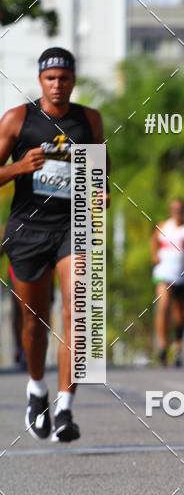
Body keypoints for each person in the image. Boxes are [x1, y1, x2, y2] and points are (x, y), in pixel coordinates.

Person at [0, 47, 108, 441]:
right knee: (34, 323)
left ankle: (64, 407)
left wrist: (100, 189)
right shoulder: (18, 119)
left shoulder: (88, 119)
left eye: (64, 78)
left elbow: (100, 163)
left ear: (73, 80)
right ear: (40, 80)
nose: (58, 85)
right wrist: (17, 167)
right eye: (50, 78)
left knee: (79, 312)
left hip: (72, 227)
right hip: (27, 230)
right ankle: (36, 389)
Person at [151, 197, 184, 366]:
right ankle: (163, 346)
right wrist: (154, 255)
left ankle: (178, 346)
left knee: (179, 314)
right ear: (170, 211)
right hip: (164, 274)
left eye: (180, 209)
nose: (177, 212)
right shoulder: (163, 226)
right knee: (163, 305)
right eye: (174, 209)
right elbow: (153, 243)